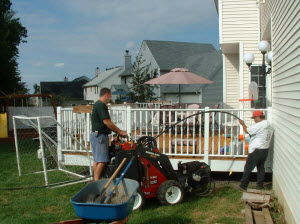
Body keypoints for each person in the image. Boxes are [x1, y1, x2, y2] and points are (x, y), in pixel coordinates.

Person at [90, 88, 127, 181]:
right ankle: (97, 183)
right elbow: (106, 121)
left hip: (95, 135)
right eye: (110, 96)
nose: (110, 99)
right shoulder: (101, 105)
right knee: (102, 160)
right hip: (100, 137)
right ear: (106, 95)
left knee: (97, 160)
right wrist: (119, 131)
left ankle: (95, 180)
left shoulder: (97, 104)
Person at [239, 110, 273, 190]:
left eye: (254, 118)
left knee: (248, 168)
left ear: (257, 117)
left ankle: (243, 186)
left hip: (256, 150)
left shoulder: (259, 125)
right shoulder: (268, 124)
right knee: (261, 168)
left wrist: (243, 124)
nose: (254, 120)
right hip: (265, 149)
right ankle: (259, 186)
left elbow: (247, 130)